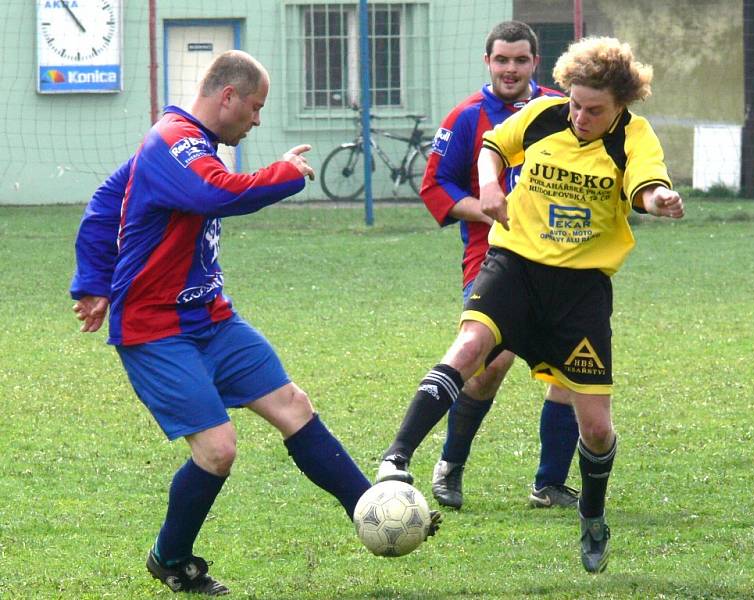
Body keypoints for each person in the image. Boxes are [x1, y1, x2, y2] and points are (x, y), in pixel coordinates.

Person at [70, 50, 438, 596]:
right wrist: (283, 175)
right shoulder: (173, 140)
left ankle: (374, 508)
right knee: (217, 450)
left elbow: (108, 199)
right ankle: (170, 558)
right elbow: (213, 191)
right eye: (257, 107)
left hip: (212, 317)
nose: (258, 119)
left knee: (293, 405)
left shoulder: (189, 141)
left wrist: (93, 280)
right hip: (156, 327)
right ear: (228, 97)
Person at [377, 37, 684, 573]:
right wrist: (492, 187)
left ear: (620, 105)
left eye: (595, 110)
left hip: (581, 291)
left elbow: (645, 185)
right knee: (472, 348)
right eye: (576, 104)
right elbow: (494, 145)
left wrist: (658, 201)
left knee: (596, 427)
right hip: (514, 265)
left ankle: (592, 515)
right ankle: (396, 459)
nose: (581, 117)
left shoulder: (635, 137)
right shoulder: (543, 113)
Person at [412, 20, 580, 511]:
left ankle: (548, 483)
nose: (510, 69)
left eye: (520, 60)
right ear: (488, 62)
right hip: (491, 256)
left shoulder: (559, 107)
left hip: (559, 259)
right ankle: (451, 465)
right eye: (501, 60)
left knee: (572, 368)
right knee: (489, 362)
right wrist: (488, 207)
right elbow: (435, 187)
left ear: (535, 62)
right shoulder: (467, 116)